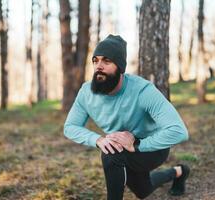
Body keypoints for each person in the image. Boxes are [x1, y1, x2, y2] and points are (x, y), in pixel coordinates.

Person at [64, 34, 190, 200]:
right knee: (143, 190)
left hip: (151, 149)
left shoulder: (142, 91)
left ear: (120, 67)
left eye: (106, 61)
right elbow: (70, 127)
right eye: (95, 60)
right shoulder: (86, 92)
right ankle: (179, 172)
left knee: (110, 152)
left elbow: (179, 131)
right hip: (122, 149)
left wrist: (137, 143)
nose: (99, 66)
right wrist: (97, 140)